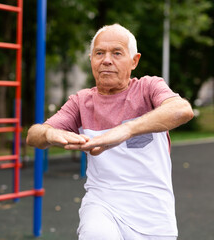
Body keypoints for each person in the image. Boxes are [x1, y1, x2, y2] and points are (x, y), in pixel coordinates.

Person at [26, 23, 194, 240]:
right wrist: (49, 135)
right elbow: (34, 134)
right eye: (99, 53)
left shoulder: (148, 87)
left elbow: (182, 110)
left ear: (134, 61)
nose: (106, 60)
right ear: (91, 59)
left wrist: (127, 130)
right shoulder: (80, 101)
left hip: (153, 212)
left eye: (117, 53)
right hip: (102, 205)